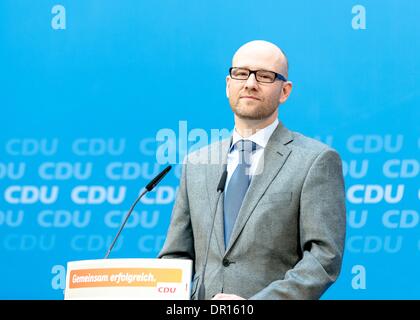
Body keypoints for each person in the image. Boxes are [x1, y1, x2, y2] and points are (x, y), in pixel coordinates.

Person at [158, 40, 346, 300]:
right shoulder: (197, 163)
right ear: (228, 84)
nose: (250, 83)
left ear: (285, 91)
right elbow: (176, 255)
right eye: (241, 73)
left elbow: (324, 258)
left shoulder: (315, 160)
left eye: (265, 76)